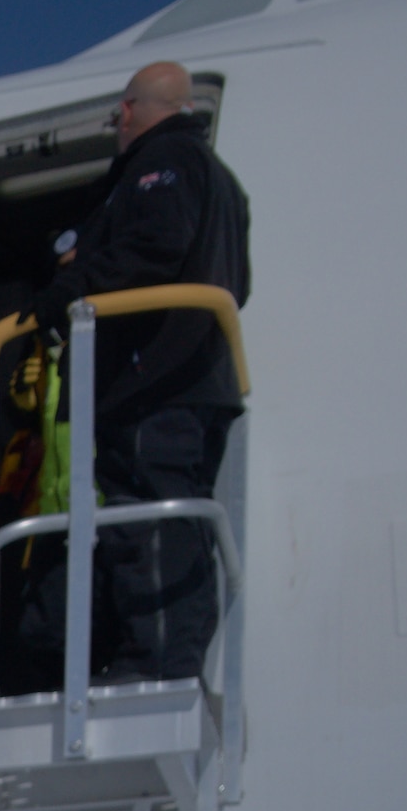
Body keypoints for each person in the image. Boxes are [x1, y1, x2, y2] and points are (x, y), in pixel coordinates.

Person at [59, 59, 254, 686]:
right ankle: (173, 656)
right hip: (197, 380)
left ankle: (160, 663)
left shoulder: (159, 163)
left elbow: (155, 249)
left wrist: (75, 281)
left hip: (153, 384)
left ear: (128, 110)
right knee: (175, 520)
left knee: (148, 519)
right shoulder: (224, 182)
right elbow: (238, 285)